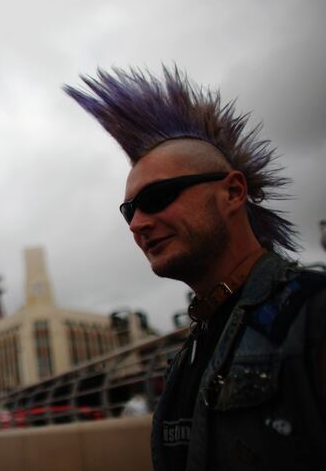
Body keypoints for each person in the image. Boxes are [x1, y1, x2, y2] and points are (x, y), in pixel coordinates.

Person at [64, 67, 325, 470]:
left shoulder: (314, 313)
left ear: (233, 192)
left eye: (158, 196)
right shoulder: (191, 349)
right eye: (129, 211)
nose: (137, 224)